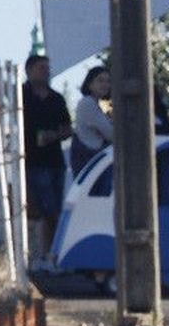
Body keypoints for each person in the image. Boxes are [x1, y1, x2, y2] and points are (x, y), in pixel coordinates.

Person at [21, 54, 71, 268]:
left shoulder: (57, 99)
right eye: (42, 68)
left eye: (47, 68)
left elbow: (68, 128)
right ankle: (38, 255)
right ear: (30, 70)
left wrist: (54, 135)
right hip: (31, 161)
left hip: (54, 161)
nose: (46, 72)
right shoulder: (21, 96)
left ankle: (51, 254)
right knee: (39, 210)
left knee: (54, 210)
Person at [69, 65, 113, 176]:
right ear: (90, 84)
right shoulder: (87, 103)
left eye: (108, 81)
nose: (105, 85)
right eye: (100, 81)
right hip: (89, 160)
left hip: (94, 160)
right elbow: (111, 134)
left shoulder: (98, 104)